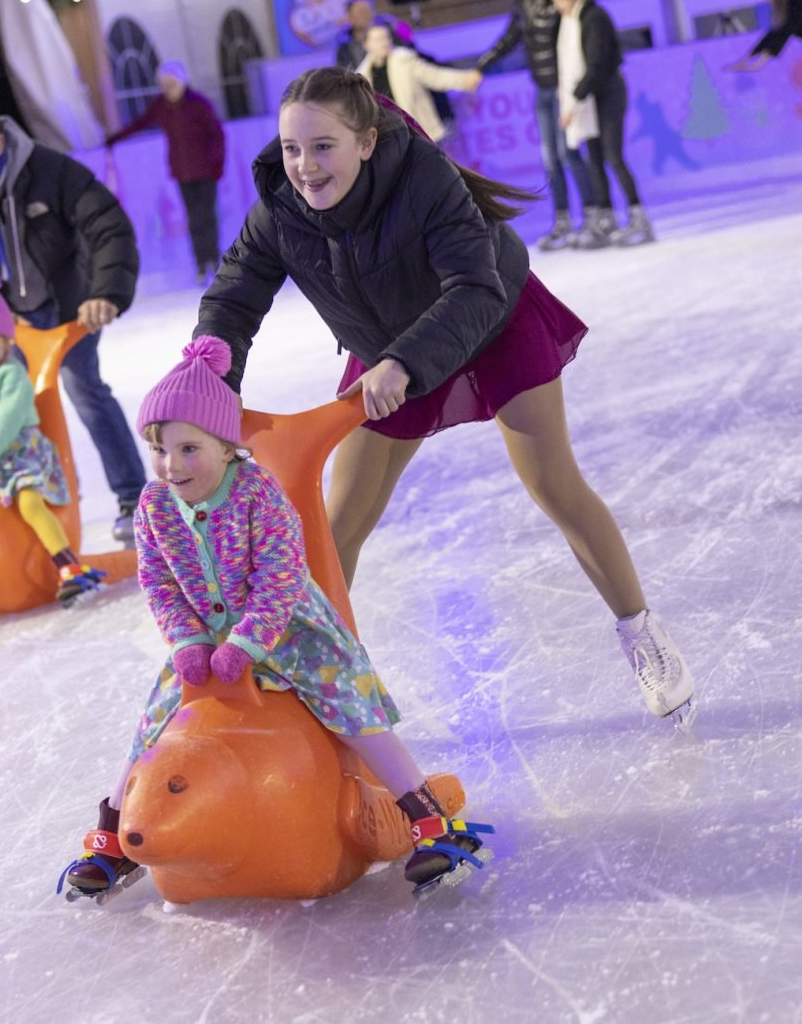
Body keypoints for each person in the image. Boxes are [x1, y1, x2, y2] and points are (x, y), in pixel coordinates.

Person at [192, 67, 695, 724]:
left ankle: (643, 636)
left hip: (489, 316)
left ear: (366, 142)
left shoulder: (424, 178)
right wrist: (207, 382)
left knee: (552, 483)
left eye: (323, 147)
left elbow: (475, 288)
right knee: (336, 522)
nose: (305, 167)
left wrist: (404, 361)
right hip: (387, 349)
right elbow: (232, 300)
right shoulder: (279, 213)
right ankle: (325, 676)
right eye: (292, 148)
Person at [57, 336, 496, 900]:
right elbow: (159, 584)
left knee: (348, 705)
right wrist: (188, 639)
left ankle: (426, 817)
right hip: (207, 638)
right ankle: (114, 833)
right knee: (155, 721)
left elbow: (281, 577)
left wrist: (249, 641)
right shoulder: (154, 506)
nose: (173, 465)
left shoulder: (257, 493)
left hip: (289, 628)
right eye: (161, 450)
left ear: (226, 444)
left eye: (189, 449)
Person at [0, 100, 147, 545]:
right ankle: (41, 509)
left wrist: (104, 292)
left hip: (64, 306)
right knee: (11, 412)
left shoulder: (47, 170)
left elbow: (107, 224)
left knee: (86, 392)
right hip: (3, 323)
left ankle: (133, 499)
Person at [0, 271, 103, 607]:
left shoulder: (14, 377)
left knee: (29, 503)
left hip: (20, 457)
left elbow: (3, 425)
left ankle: (68, 565)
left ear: (7, 342)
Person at [478, 0, 596, 251]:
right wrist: (481, 66)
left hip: (562, 88)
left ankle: (594, 216)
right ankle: (563, 221)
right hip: (541, 89)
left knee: (569, 153)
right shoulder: (521, 0)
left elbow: (572, 35)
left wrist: (570, 84)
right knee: (551, 160)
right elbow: (509, 38)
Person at [550, 0, 654, 247]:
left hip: (607, 94)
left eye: (561, 0)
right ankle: (606, 218)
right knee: (594, 159)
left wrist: (573, 101)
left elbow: (597, 65)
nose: (558, 7)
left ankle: (638, 217)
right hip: (591, 98)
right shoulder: (572, 21)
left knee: (612, 156)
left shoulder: (594, 17)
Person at [105, 62, 226, 286]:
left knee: (207, 217)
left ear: (182, 82)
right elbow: (141, 123)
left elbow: (217, 134)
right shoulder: (161, 105)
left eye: (172, 84)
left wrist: (217, 162)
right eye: (165, 85)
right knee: (193, 218)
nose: (169, 88)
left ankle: (214, 259)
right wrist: (116, 137)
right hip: (182, 172)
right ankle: (200, 263)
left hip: (206, 171)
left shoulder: (198, 104)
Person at [357, 24, 482, 145]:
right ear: (366, 44)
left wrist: (463, 80)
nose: (384, 42)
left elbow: (434, 76)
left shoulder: (405, 61)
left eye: (386, 37)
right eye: (378, 39)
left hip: (417, 132)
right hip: (389, 138)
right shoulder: (362, 77)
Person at [729, 0, 802, 71]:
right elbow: (776, 33)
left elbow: (784, 31)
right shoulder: (793, 3)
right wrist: (747, 59)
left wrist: (757, 63)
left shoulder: (797, 1)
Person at [335, 0, 376, 71]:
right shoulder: (344, 46)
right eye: (361, 12)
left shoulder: (388, 33)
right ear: (350, 17)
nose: (367, 15)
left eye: (368, 11)